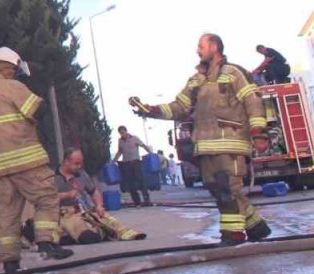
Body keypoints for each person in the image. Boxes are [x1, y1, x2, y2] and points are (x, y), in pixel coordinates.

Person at [130, 33, 269, 244]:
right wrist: (150, 110)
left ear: (214, 47)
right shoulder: (196, 80)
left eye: (200, 46)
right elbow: (179, 107)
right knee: (217, 188)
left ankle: (233, 234)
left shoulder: (234, 73)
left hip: (231, 142)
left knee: (227, 188)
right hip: (205, 146)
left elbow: (253, 100)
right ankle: (256, 226)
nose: (197, 50)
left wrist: (259, 131)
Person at [0, 46, 72, 274]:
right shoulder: (13, 87)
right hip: (25, 159)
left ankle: (10, 262)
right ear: (10, 67)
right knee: (47, 199)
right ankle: (47, 244)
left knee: (7, 213)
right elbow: (38, 111)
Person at [54, 147, 144, 244]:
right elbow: (44, 199)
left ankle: (124, 234)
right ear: (66, 162)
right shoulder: (52, 177)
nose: (79, 166)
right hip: (63, 215)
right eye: (76, 164)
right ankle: (77, 236)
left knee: (106, 221)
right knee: (87, 237)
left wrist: (99, 205)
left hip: (81, 212)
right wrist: (66, 195)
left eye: (81, 163)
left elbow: (94, 192)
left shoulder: (81, 175)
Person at [112, 125, 152, 207]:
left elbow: (143, 145)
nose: (122, 134)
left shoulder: (134, 138)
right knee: (131, 183)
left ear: (126, 131)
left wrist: (150, 153)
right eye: (120, 133)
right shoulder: (120, 141)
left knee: (141, 181)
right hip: (126, 163)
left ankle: (147, 200)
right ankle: (137, 202)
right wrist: (113, 161)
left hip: (136, 162)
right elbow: (119, 151)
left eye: (123, 132)